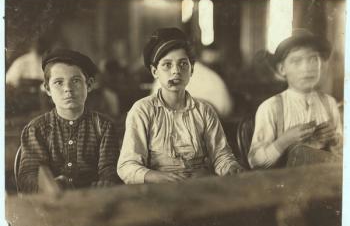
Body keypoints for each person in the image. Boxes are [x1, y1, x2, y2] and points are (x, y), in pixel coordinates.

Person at [117, 27, 243, 184]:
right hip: (158, 191)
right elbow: (127, 166)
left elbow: (221, 156)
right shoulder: (142, 110)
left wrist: (230, 167)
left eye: (183, 64)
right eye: (167, 65)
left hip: (198, 186)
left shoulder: (204, 110)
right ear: (155, 71)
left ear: (191, 70)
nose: (176, 71)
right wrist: (158, 177)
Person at [18, 49, 121, 193]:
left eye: (76, 81)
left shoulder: (103, 126)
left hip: (93, 202)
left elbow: (109, 168)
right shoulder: (36, 129)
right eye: (58, 82)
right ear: (47, 89)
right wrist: (50, 185)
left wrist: (106, 183)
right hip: (52, 205)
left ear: (89, 85)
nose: (68, 89)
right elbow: (29, 176)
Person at [248, 29, 343, 169]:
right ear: (282, 69)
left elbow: (343, 159)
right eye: (296, 61)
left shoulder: (329, 103)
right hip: (285, 184)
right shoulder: (271, 107)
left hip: (323, 180)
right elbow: (254, 162)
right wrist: (283, 141)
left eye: (313, 59)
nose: (307, 68)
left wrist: (334, 140)